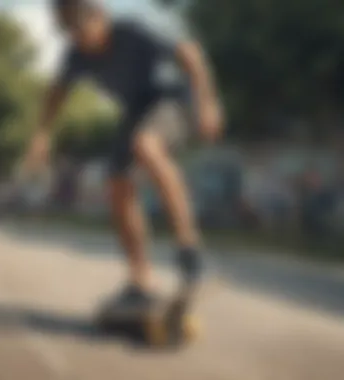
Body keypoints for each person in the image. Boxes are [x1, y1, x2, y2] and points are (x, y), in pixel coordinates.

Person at [24, 0, 225, 313]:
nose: (80, 41)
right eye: (70, 34)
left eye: (82, 31)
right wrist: (42, 134)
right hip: (136, 111)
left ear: (100, 16)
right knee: (117, 184)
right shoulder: (76, 54)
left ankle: (190, 250)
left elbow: (190, 54)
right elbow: (56, 93)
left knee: (146, 145)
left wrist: (208, 104)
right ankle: (140, 280)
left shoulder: (133, 30)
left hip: (172, 99)